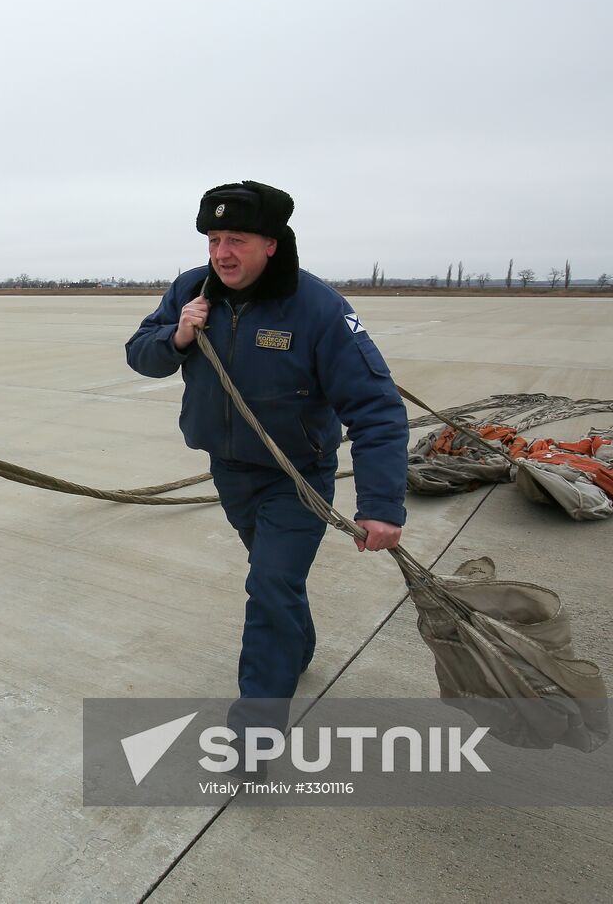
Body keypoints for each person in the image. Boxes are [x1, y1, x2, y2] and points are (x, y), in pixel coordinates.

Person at [125, 181, 408, 744]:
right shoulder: (190, 289)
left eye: (237, 239)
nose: (221, 253)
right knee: (275, 579)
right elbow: (141, 354)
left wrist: (381, 505)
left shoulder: (318, 307)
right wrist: (178, 336)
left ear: (272, 244)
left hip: (298, 476)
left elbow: (377, 409)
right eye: (213, 239)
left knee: (271, 584)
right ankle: (295, 649)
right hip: (230, 470)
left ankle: (254, 735)